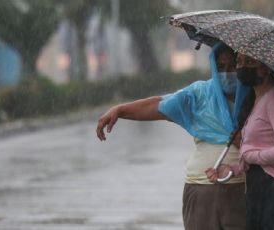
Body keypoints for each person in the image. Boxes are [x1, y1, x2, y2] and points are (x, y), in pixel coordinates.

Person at [97, 43, 249, 230]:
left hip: (242, 190)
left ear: (242, 65)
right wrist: (120, 110)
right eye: (220, 67)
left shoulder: (256, 96)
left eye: (233, 66)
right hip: (201, 190)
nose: (227, 73)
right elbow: (160, 105)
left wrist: (244, 141)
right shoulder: (199, 94)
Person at [206, 53, 274, 230]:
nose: (241, 67)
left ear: (267, 68)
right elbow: (256, 152)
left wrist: (251, 156)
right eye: (239, 61)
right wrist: (231, 169)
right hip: (261, 193)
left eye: (250, 62)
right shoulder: (256, 101)